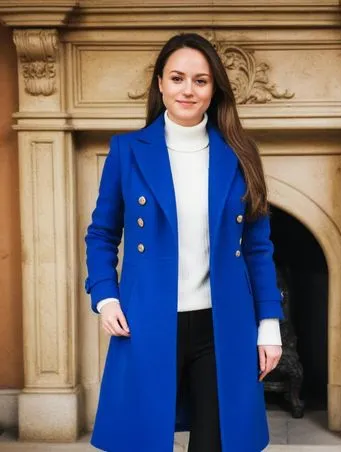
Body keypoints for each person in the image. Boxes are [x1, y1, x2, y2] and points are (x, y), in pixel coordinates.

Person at [84, 32, 284, 452]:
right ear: (160, 84)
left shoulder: (241, 153)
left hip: (221, 323)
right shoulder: (127, 151)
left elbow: (257, 248)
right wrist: (106, 298)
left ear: (214, 90)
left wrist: (269, 325)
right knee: (144, 440)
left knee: (217, 443)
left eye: (200, 80)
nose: (187, 90)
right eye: (177, 78)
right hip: (145, 320)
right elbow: (102, 233)